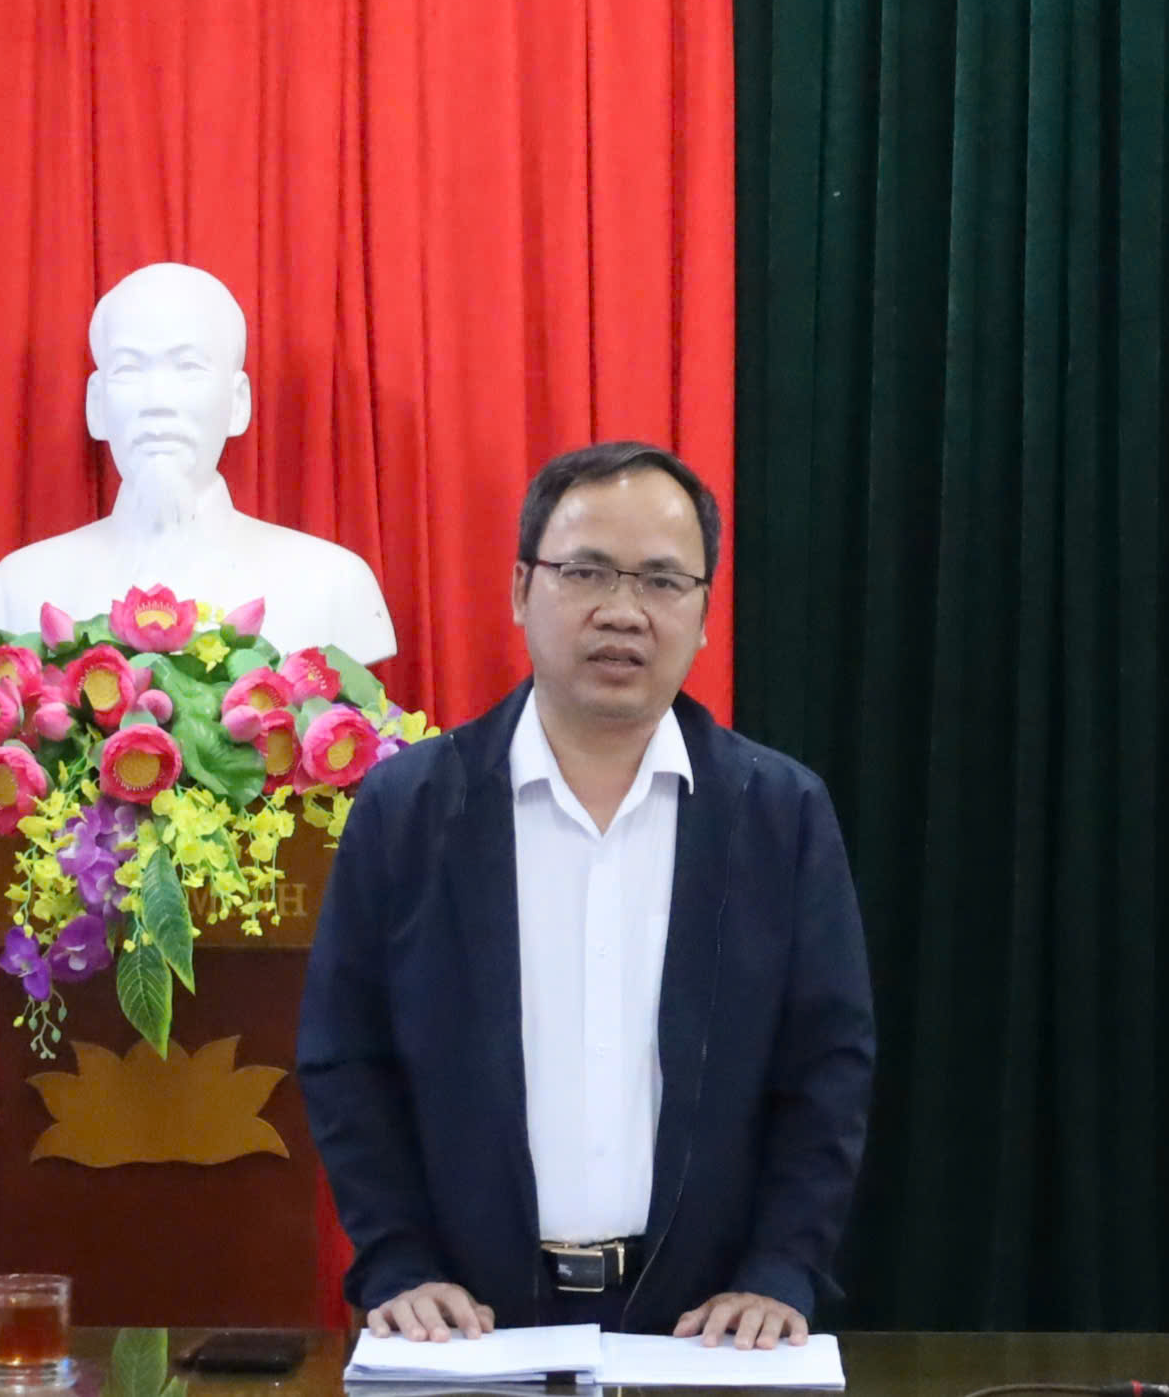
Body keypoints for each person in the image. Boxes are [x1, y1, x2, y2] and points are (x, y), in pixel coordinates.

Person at [297, 441, 873, 1347]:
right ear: (520, 588)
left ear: (704, 613)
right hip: (467, 1329)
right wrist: (398, 1260)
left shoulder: (779, 813)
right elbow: (345, 1055)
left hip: (706, 1335)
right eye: (586, 571)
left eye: (662, 581)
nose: (621, 611)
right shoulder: (408, 809)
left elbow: (826, 1066)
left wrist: (779, 1269)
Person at [0, 263, 395, 663]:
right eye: (129, 369)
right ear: (96, 405)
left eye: (189, 367)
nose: (157, 401)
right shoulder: (17, 592)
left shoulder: (333, 586)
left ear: (238, 403)